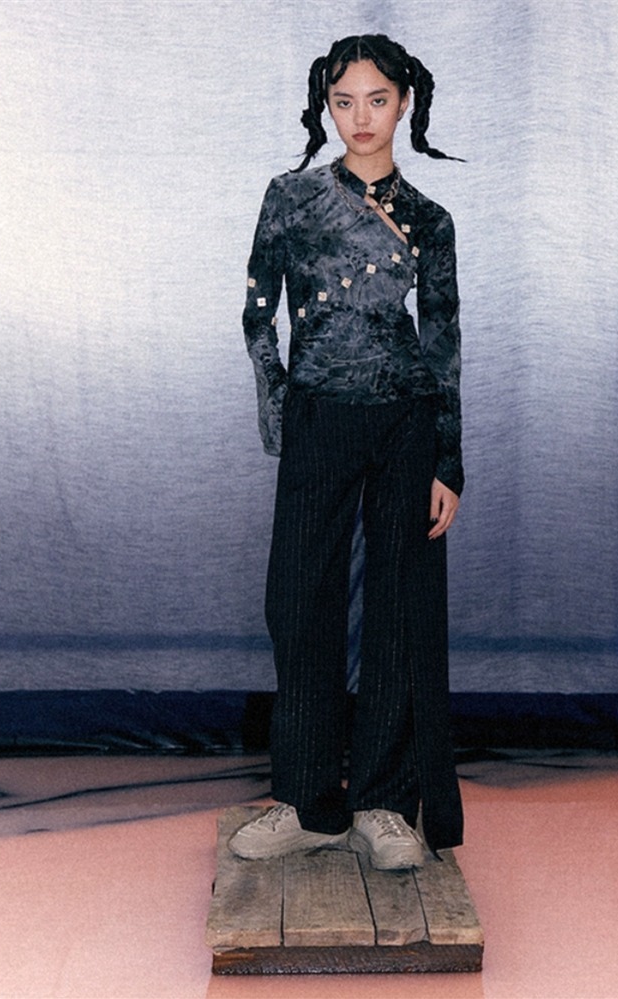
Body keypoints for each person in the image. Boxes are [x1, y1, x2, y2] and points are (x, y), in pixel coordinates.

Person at [230, 34, 464, 871]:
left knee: (399, 603)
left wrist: (448, 460)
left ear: (405, 103)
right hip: (318, 413)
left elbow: (442, 343)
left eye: (377, 99)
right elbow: (258, 314)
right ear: (324, 107)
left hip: (405, 420)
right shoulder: (291, 198)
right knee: (299, 600)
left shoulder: (429, 219)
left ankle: (386, 801)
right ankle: (306, 799)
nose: (360, 118)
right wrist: (283, 410)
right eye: (343, 101)